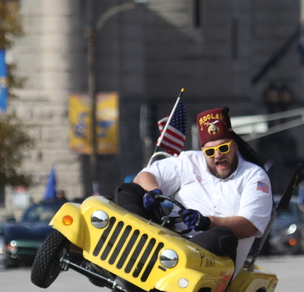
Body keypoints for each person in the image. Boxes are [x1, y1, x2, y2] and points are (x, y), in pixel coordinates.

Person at [115, 107, 273, 271]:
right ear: (203, 152)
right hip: (169, 240)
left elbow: (249, 226)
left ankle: (171, 264)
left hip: (213, 261)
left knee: (223, 237)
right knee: (128, 190)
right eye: (210, 151)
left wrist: (207, 222)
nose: (218, 155)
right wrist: (153, 192)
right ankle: (131, 252)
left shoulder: (254, 175)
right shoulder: (189, 161)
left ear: (235, 147)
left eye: (223, 148)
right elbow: (144, 176)